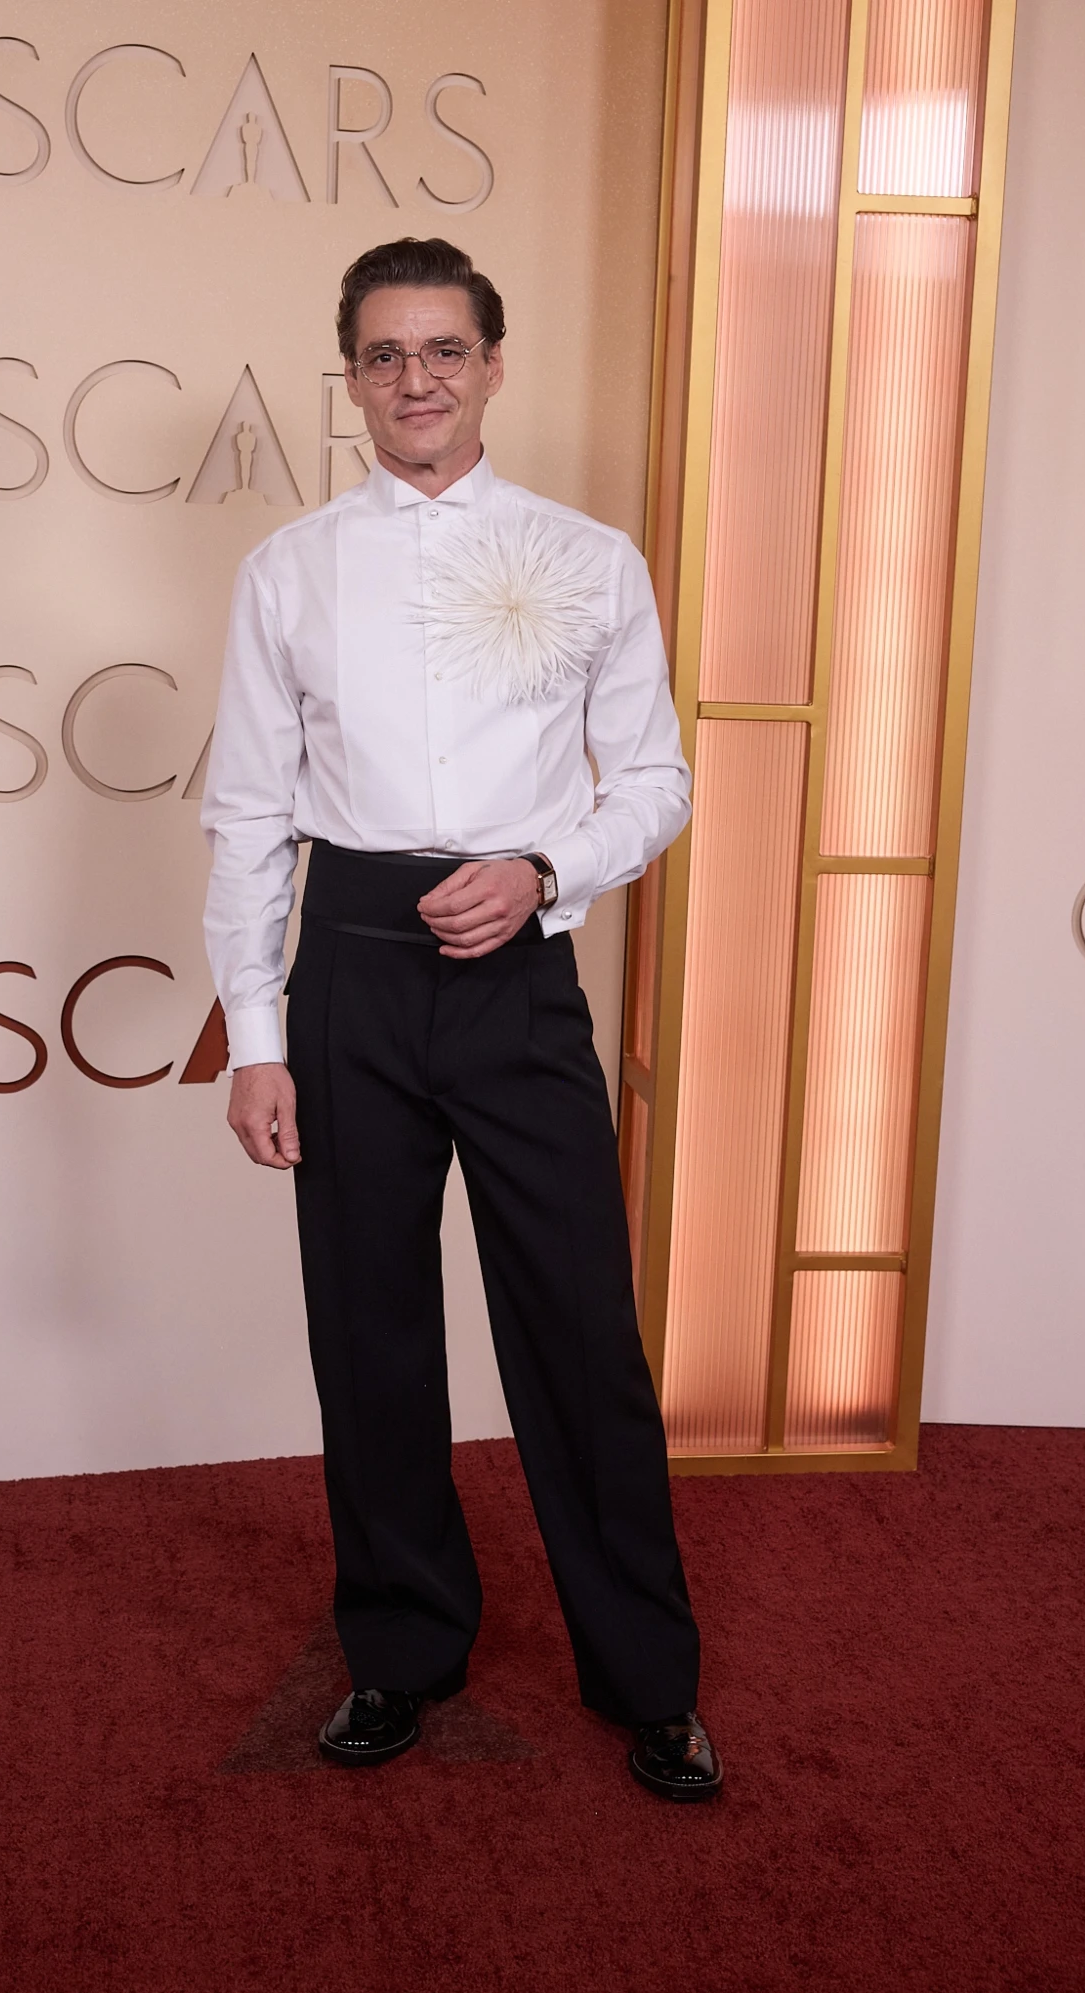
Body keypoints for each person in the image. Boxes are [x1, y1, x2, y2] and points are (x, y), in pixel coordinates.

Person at [201, 237, 721, 1801]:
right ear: (351, 376)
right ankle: (400, 1652)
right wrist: (256, 1039)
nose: (413, 378)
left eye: (442, 349)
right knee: (366, 1330)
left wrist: (545, 870)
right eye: (384, 354)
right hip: (349, 970)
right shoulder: (287, 570)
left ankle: (649, 1679)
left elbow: (655, 779)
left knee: (577, 1329)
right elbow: (248, 810)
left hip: (515, 971)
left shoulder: (588, 559)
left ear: (492, 365)